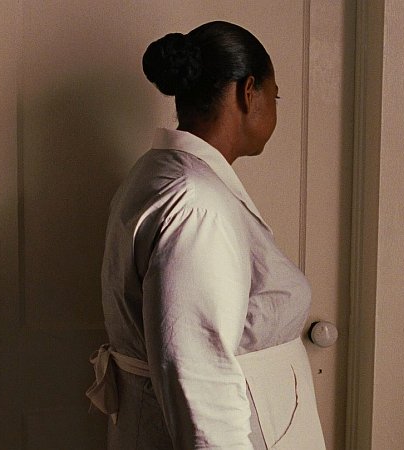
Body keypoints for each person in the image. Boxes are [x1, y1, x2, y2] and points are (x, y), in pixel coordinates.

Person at [86, 21, 326, 449]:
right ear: (248, 91)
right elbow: (197, 372)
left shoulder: (161, 173)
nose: (275, 108)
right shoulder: (195, 203)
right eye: (275, 95)